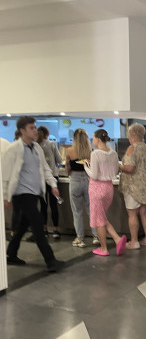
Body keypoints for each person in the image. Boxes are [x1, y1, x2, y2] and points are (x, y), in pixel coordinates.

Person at [3, 116, 61, 272]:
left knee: (23, 225)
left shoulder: (37, 148)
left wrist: (53, 184)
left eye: (35, 127)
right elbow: (5, 174)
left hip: (34, 194)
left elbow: (45, 168)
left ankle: (11, 253)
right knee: (38, 224)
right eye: (31, 128)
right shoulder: (14, 149)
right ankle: (51, 261)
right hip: (22, 194)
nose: (35, 130)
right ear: (22, 130)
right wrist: (5, 196)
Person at [84, 129, 127, 256]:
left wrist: (86, 167)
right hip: (108, 188)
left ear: (97, 139)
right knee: (101, 217)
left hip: (97, 189)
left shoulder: (95, 154)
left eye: (93, 138)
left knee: (99, 220)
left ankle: (104, 248)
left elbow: (94, 175)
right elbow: (115, 172)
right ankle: (117, 239)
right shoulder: (113, 153)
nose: (92, 140)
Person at [119, 123, 146, 249]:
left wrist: (120, 166)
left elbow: (130, 167)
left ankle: (134, 241)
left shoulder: (132, 148)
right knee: (144, 212)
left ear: (132, 136)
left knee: (132, 214)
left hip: (133, 187)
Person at [66, 128, 98, 248]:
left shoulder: (69, 151)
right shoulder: (91, 151)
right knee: (91, 210)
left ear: (74, 138)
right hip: (88, 181)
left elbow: (67, 169)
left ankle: (80, 238)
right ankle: (96, 236)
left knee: (77, 212)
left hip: (74, 181)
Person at [36, 126, 62, 239]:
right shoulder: (52, 144)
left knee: (43, 206)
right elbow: (60, 160)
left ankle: (44, 230)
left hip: (40, 179)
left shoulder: (36, 146)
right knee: (54, 205)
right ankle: (56, 230)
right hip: (53, 177)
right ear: (47, 134)